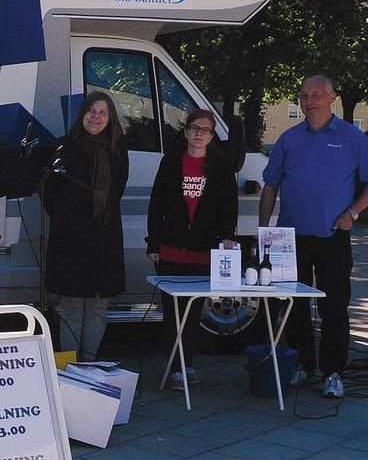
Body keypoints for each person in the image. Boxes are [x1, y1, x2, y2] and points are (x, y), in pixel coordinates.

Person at [260, 74, 368, 399]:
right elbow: (270, 186)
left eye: (317, 95)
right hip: (289, 238)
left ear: (332, 97)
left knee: (334, 306)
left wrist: (353, 213)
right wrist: (265, 231)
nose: (310, 101)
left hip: (332, 235)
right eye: (305, 95)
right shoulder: (289, 138)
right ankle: (303, 365)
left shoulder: (353, 137)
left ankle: (333, 372)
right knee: (293, 305)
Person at [146, 109, 238, 390]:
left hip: (203, 252)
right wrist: (154, 243)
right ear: (185, 132)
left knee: (193, 313)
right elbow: (156, 204)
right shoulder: (171, 162)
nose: (199, 134)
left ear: (212, 136)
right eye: (195, 128)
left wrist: (226, 237)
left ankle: (188, 364)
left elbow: (228, 209)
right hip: (170, 251)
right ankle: (175, 368)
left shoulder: (222, 168)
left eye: (206, 130)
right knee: (172, 313)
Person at [43, 91, 129, 361]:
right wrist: (69, 217)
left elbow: (118, 190)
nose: (96, 117)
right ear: (82, 114)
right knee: (69, 308)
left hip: (105, 239)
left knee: (97, 307)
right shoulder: (63, 147)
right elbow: (48, 194)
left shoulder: (117, 151)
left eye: (103, 112)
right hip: (70, 240)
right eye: (91, 110)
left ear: (110, 118)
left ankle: (89, 366)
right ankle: (68, 369)